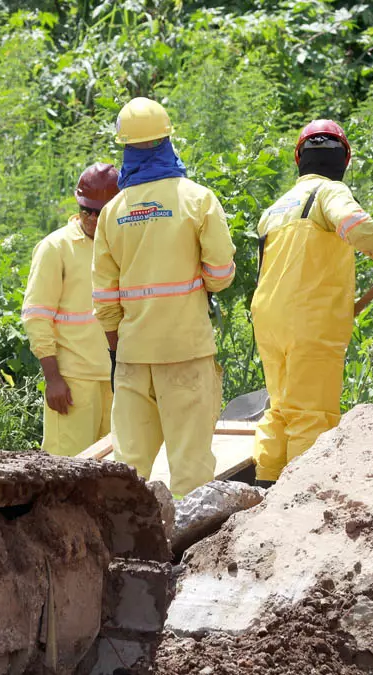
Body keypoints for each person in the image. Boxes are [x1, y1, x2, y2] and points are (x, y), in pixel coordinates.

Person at [93, 97, 236, 498]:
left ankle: (125, 551)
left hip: (135, 355)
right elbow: (222, 274)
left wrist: (120, 349)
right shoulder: (197, 199)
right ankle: (193, 554)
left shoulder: (112, 211)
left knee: (128, 468)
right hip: (186, 351)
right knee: (190, 467)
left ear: (126, 149)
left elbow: (104, 297)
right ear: (167, 142)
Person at [250, 119, 373, 485]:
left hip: (269, 319)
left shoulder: (275, 209)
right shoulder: (329, 193)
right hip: (310, 321)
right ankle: (300, 497)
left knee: (281, 409)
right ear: (344, 160)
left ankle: (265, 486)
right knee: (311, 413)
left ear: (299, 159)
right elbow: (353, 223)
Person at [22, 163, 120, 456]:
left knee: (118, 472)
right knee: (69, 469)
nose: (91, 218)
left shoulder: (124, 246)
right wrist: (53, 378)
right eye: (85, 209)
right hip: (74, 382)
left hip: (118, 378)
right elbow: (36, 316)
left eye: (99, 212)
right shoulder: (55, 248)